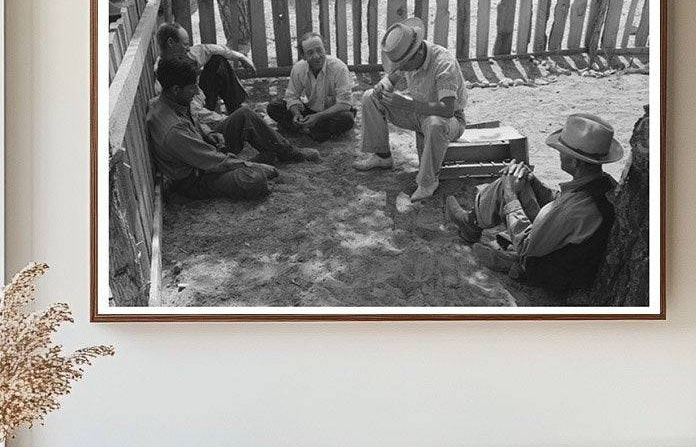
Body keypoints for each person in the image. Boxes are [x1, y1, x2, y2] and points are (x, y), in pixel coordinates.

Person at [445, 113, 621, 293]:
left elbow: (526, 248)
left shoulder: (575, 210)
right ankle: (472, 222)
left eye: (562, 152)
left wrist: (510, 196)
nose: (559, 154)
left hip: (553, 269)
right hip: (569, 254)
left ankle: (479, 231)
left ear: (575, 162)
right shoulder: (603, 183)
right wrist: (533, 182)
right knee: (518, 180)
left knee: (509, 187)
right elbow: (561, 201)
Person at [146, 55, 319, 201]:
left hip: (202, 154)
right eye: (193, 87)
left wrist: (209, 132)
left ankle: (287, 151)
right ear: (176, 89)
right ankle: (259, 167)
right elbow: (213, 162)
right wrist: (250, 164)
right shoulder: (174, 131)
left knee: (244, 114)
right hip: (196, 177)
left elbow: (193, 122)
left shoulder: (168, 101)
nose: (198, 92)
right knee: (255, 179)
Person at [352, 17, 467, 202]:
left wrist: (406, 104)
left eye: (402, 64)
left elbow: (447, 109)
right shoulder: (408, 54)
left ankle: (428, 183)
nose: (400, 68)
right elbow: (392, 78)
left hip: (450, 119)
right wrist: (383, 85)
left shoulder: (443, 62)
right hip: (420, 113)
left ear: (418, 53)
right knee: (370, 97)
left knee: (435, 123)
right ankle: (382, 156)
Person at [266, 32, 355, 142]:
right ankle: (314, 130)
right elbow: (291, 96)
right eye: (310, 53)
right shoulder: (299, 68)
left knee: (346, 119)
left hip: (332, 113)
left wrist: (318, 117)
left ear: (325, 49)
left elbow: (345, 104)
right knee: (274, 107)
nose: (316, 56)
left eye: (319, 50)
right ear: (303, 56)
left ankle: (305, 130)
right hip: (310, 112)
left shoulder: (339, 68)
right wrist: (296, 113)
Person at [156, 22, 255, 115]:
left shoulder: (187, 54)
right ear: (170, 42)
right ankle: (239, 115)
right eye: (185, 44)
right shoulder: (163, 73)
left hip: (200, 99)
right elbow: (191, 112)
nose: (188, 48)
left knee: (218, 60)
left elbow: (211, 49)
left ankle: (237, 108)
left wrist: (241, 57)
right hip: (195, 111)